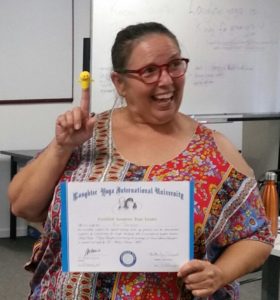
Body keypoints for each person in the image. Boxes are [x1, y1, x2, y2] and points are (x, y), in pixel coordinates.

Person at [8, 22, 274, 300]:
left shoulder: (214, 150)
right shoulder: (85, 135)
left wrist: (219, 274)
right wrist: (62, 146)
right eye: (149, 71)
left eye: (174, 65)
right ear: (119, 82)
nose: (166, 80)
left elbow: (256, 235)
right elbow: (23, 205)